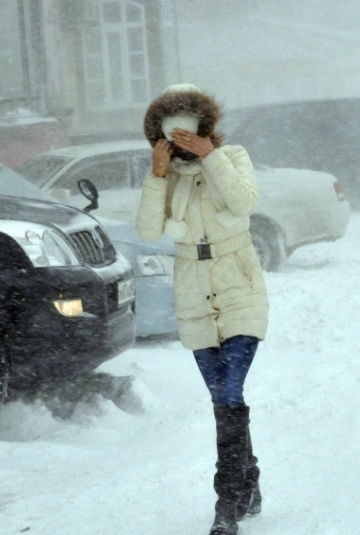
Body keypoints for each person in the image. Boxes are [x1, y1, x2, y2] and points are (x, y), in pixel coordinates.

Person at [136, 83, 268, 535]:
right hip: (193, 289)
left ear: (204, 127)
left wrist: (211, 156)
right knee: (222, 398)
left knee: (229, 394)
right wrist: (156, 176)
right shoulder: (165, 174)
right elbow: (150, 230)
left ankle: (226, 504)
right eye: (175, 134)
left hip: (239, 285)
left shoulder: (233, 158)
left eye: (191, 130)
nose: (184, 141)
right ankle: (248, 479)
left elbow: (245, 202)